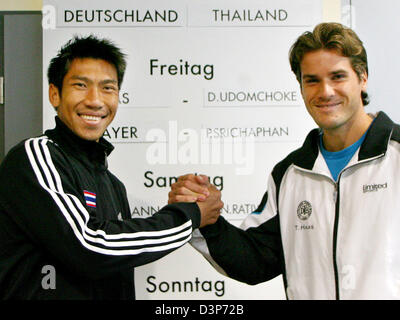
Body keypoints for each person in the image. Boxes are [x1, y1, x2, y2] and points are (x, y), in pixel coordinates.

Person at [168, 22, 400, 299]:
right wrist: (206, 219)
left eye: (337, 77)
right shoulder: (291, 172)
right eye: (312, 80)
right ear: (301, 87)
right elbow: (256, 260)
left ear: (362, 78)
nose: (325, 91)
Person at [0, 35, 223, 299]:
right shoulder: (36, 156)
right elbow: (90, 248)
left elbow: (116, 265)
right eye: (81, 85)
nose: (95, 100)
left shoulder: (112, 184)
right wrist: (189, 215)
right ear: (54, 94)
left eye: (108, 88)